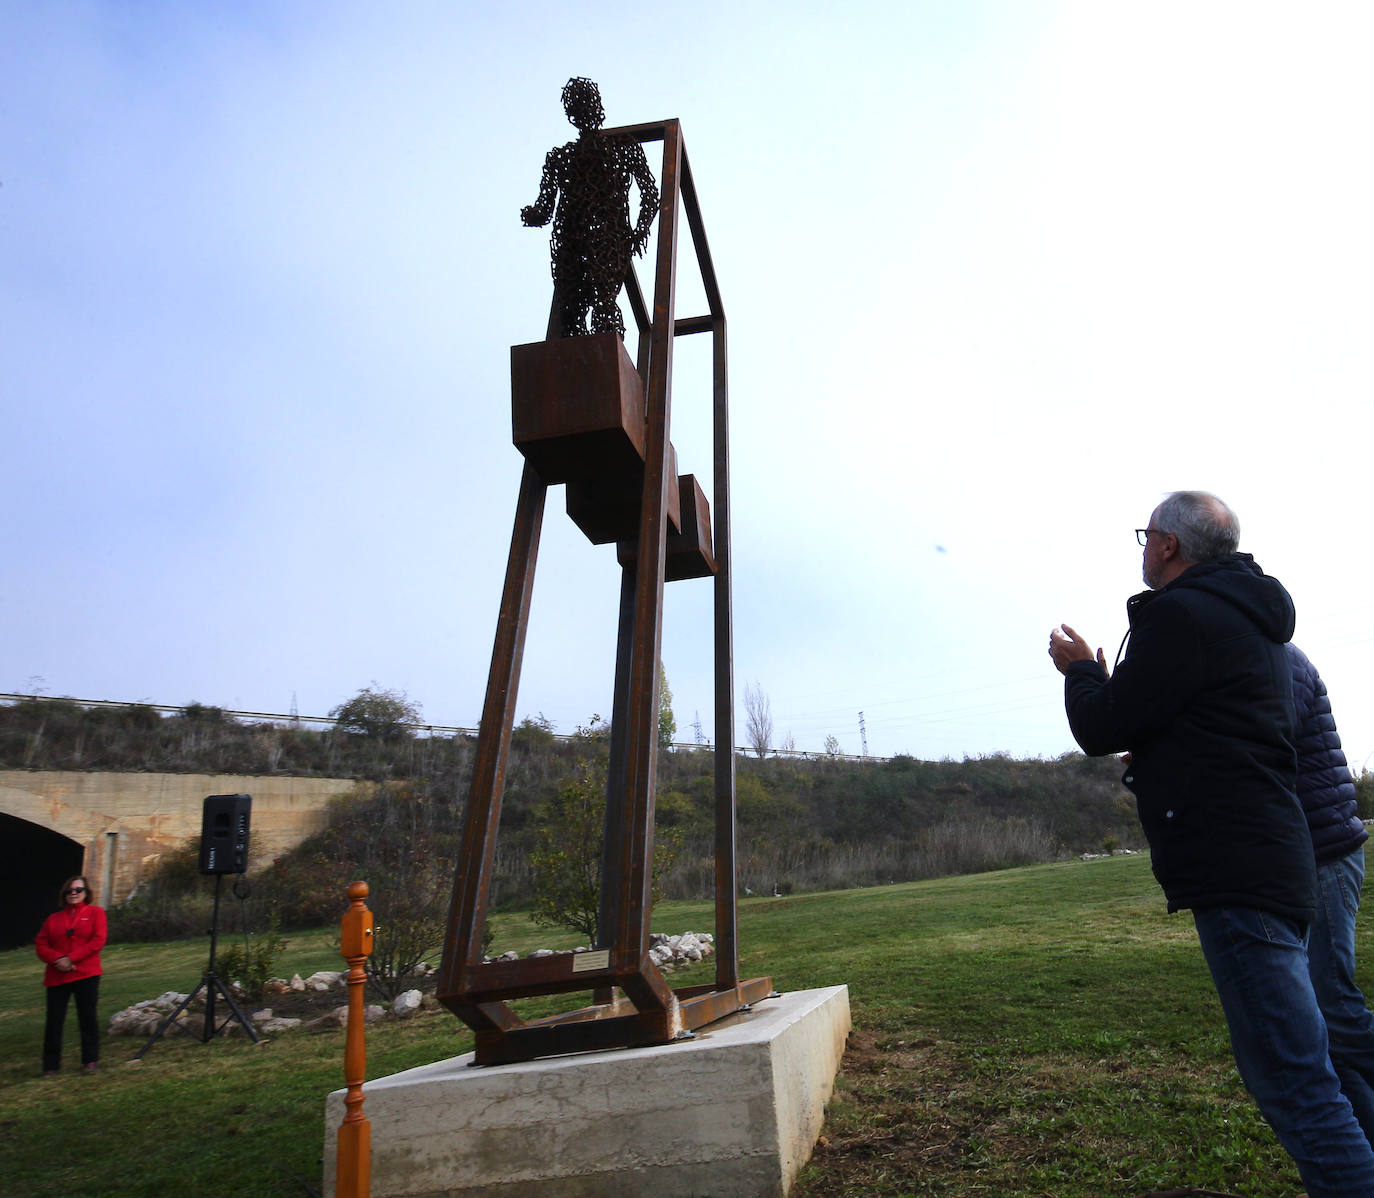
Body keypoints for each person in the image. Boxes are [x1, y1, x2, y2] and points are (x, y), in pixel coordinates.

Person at [1048, 490, 1374, 1198]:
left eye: (1147, 534)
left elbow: (1102, 728)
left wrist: (1079, 672)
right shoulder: (1251, 623)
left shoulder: (1181, 616)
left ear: (1167, 545)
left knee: (1297, 1084)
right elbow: (1231, 740)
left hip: (1239, 869)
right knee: (1308, 1061)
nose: (1143, 545)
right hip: (1277, 858)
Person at [1289, 641, 1374, 1144]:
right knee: (1325, 1032)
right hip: (1300, 861)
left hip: (1325, 853)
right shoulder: (1261, 654)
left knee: (1335, 1009)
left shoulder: (1278, 661)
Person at [520, 76, 658, 338]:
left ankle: (607, 363)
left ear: (596, 106)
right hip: (571, 243)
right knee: (571, 314)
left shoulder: (622, 146)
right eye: (577, 106)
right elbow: (545, 209)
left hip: (607, 239)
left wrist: (640, 231)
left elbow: (650, 193)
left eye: (585, 103)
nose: (582, 110)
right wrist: (532, 214)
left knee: (603, 307)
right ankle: (582, 369)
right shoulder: (560, 158)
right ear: (571, 113)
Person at [35, 873, 107, 1076]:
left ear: (86, 893)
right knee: (54, 1021)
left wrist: (72, 959)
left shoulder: (96, 913)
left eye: (78, 890)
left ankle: (90, 1060)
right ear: (64, 894)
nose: (74, 893)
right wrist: (57, 959)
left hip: (86, 974)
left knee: (87, 1018)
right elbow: (41, 944)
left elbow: (97, 941)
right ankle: (51, 1065)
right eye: (70, 891)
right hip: (57, 976)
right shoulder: (53, 919)